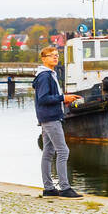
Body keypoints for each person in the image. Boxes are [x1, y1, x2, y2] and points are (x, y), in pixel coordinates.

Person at [33, 45, 83, 199]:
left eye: (56, 55)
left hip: (49, 117)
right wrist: (63, 98)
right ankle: (65, 188)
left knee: (48, 151)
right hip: (50, 118)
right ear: (43, 58)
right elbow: (43, 99)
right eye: (51, 55)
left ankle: (49, 188)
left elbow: (49, 97)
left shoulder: (50, 74)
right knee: (63, 151)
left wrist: (64, 99)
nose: (55, 57)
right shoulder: (45, 76)